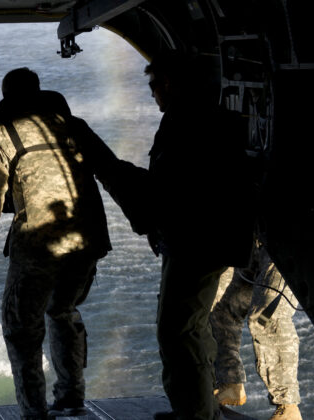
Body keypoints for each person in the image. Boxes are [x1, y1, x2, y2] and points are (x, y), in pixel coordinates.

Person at [96, 52, 255, 420]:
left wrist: (110, 169)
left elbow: (170, 191)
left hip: (197, 244)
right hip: (202, 240)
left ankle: (195, 413)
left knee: (177, 332)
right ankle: (195, 406)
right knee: (191, 327)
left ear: (169, 83)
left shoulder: (187, 122)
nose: (152, 94)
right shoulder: (197, 118)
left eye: (154, 85)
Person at [0, 68, 112, 419]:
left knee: (21, 329)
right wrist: (151, 225)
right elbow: (112, 171)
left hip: (37, 244)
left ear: (5, 98)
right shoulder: (73, 126)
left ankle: (34, 413)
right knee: (62, 310)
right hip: (87, 238)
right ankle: (72, 396)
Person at [211, 239, 302, 420]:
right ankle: (230, 383)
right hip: (254, 237)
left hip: (290, 243)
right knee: (221, 308)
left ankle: (288, 406)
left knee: (266, 319)